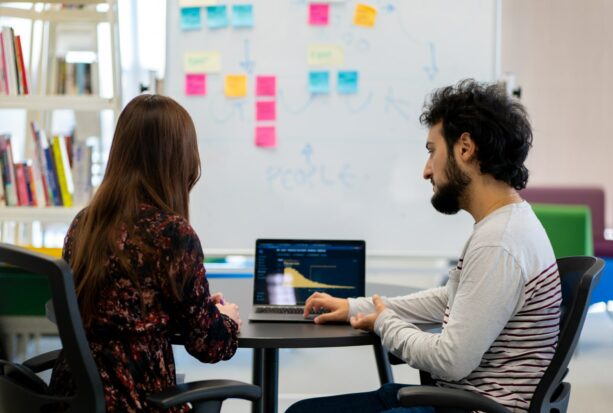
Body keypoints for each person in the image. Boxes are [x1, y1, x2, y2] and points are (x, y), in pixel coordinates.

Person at [287, 79, 560, 413]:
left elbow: (451, 360)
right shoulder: (506, 225)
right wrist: (359, 307)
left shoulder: (499, 243)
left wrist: (384, 322)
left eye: (432, 151)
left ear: (465, 148)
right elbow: (451, 299)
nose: (426, 170)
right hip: (459, 400)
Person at [49, 94, 242, 413]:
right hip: (138, 404)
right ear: (180, 159)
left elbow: (125, 311)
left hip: (73, 401)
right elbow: (209, 345)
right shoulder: (173, 234)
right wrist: (225, 321)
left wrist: (194, 307)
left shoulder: (85, 223)